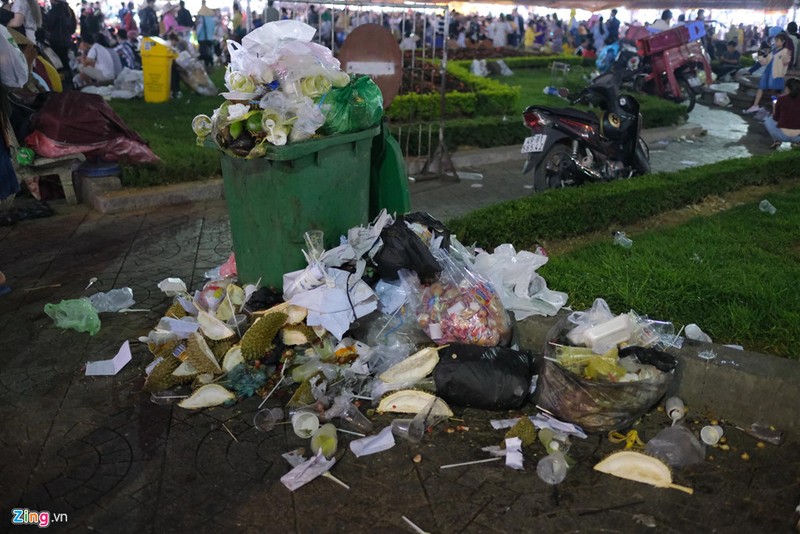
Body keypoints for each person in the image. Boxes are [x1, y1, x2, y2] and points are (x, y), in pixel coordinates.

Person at [746, 33, 791, 114]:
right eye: (775, 40)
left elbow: (786, 62)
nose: (775, 42)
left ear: (783, 42)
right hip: (768, 73)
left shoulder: (785, 51)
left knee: (773, 93)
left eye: (777, 41)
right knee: (761, 88)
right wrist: (758, 54)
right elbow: (764, 62)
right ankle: (755, 105)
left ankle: (775, 109)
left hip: (776, 74)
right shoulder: (773, 51)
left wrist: (786, 58)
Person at [765, 77, 800, 148]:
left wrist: (775, 107)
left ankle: (776, 140)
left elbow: (775, 118)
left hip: (782, 135)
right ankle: (797, 143)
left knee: (767, 120)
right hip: (798, 137)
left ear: (787, 88)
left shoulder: (781, 99)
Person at [43, 0, 77, 75]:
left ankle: (64, 82)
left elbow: (49, 25)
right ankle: (70, 80)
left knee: (58, 65)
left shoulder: (54, 10)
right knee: (65, 62)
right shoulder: (69, 10)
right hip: (66, 41)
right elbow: (73, 28)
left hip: (56, 41)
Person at [196, 1, 216, 68]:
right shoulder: (212, 19)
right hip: (210, 38)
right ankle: (211, 63)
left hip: (202, 38)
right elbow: (213, 29)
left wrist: (197, 35)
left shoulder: (201, 19)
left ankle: (207, 64)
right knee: (209, 51)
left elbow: (199, 29)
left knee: (204, 52)